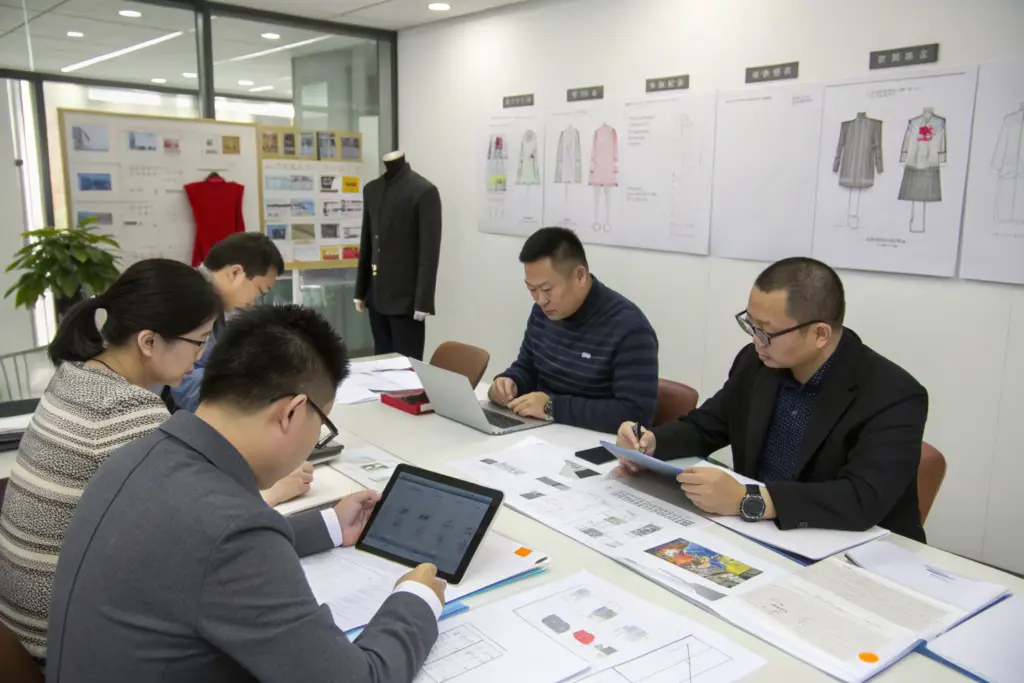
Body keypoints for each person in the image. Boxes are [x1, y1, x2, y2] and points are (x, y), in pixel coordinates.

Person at [46, 305, 446, 683]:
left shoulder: (139, 454)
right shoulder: (231, 530)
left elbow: (198, 555)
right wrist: (415, 599)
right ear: (291, 412)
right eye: (323, 424)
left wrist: (329, 525)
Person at [616, 257, 928, 541]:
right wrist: (651, 442)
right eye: (750, 324)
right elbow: (707, 426)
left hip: (855, 549)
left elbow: (861, 498)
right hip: (760, 534)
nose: (755, 340)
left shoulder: (893, 394)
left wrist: (748, 498)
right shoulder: (757, 363)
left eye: (766, 332)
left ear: (820, 334)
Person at [0, 259, 220, 660]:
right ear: (148, 342)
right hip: (61, 644)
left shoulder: (74, 376)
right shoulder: (130, 411)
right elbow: (196, 533)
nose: (201, 355)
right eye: (199, 341)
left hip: (21, 626)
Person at [489, 227, 658, 433]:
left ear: (579, 276)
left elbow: (636, 416)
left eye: (547, 289)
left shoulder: (630, 329)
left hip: (593, 442)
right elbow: (528, 367)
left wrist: (552, 407)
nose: (540, 300)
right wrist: (510, 382)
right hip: (543, 433)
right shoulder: (543, 312)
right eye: (532, 289)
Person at [170, 232, 284, 413]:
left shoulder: (208, 301)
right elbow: (185, 385)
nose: (253, 303)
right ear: (235, 273)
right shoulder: (191, 302)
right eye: (259, 290)